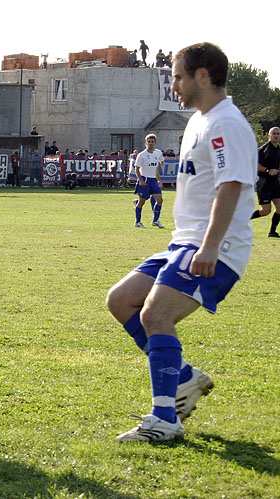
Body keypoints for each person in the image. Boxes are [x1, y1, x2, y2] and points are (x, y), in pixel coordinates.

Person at [107, 42, 257, 442]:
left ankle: (164, 419)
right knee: (121, 300)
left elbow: (231, 187)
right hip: (183, 243)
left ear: (202, 76)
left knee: (156, 315)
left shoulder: (226, 123)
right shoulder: (199, 121)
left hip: (214, 246)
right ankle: (184, 377)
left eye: (177, 75)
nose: (173, 83)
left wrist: (209, 247)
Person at [250, 126, 280, 237]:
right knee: (265, 211)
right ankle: (243, 221)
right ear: (269, 135)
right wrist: (268, 170)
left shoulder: (278, 149)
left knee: (279, 208)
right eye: (274, 133)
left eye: (278, 133)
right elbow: (256, 165)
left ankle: (272, 232)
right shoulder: (264, 149)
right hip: (264, 183)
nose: (276, 136)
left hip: (275, 183)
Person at [133, 133, 165, 228]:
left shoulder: (158, 152)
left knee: (159, 200)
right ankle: (137, 222)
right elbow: (137, 169)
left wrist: (158, 179)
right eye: (149, 142)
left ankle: (155, 220)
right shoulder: (142, 155)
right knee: (142, 202)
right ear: (146, 143)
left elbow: (157, 166)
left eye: (152, 141)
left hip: (153, 180)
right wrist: (141, 181)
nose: (150, 143)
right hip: (145, 179)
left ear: (155, 143)